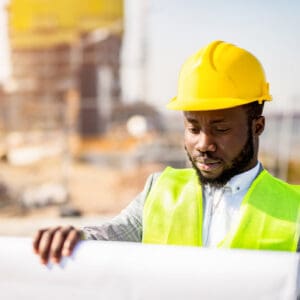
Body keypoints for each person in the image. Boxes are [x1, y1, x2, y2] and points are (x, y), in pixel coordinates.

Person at [33, 40, 300, 264]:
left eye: (220, 129)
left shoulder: (294, 209)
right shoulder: (159, 191)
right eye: (193, 129)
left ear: (258, 126)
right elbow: (108, 237)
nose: (203, 144)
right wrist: (74, 237)